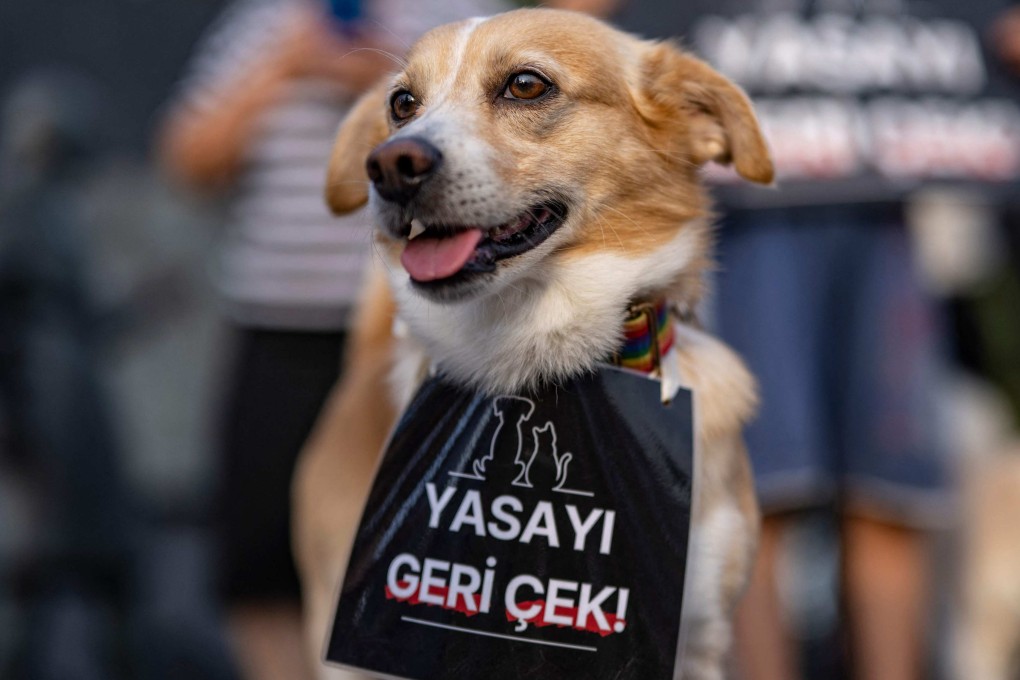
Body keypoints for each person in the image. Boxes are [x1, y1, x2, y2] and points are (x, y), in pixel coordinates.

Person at [157, 0, 513, 677]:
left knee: (437, 551)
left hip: (423, 338)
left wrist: (387, 96)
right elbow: (187, 158)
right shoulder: (264, 24)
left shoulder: (455, 22)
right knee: (259, 557)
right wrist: (281, 67)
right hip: (276, 328)